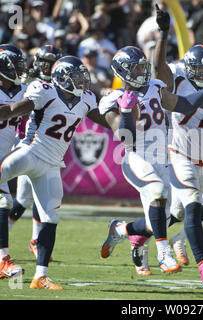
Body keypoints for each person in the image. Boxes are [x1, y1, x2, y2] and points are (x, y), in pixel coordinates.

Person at [98, 45, 203, 279]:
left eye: (141, 67)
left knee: (163, 218)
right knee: (157, 192)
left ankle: (119, 230)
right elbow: (126, 137)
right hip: (136, 157)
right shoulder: (112, 99)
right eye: (134, 68)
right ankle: (164, 253)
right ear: (121, 72)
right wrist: (125, 112)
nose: (140, 72)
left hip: (163, 158)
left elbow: (184, 105)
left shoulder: (155, 87)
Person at [0, 55, 111, 289]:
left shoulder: (87, 99)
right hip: (28, 153)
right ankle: (3, 260)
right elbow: (12, 109)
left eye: (83, 77)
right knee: (4, 200)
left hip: (51, 165)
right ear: (62, 78)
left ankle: (40, 276)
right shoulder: (45, 90)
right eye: (77, 78)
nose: (82, 82)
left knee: (50, 219)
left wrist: (127, 117)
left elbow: (108, 121)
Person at [153, 5, 203, 286]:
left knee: (186, 210)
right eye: (198, 69)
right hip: (179, 150)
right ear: (188, 68)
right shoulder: (177, 76)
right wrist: (163, 34)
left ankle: (131, 230)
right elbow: (158, 69)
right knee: (191, 205)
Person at [7, 45, 62, 263]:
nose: (47, 67)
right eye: (44, 62)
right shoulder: (30, 85)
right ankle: (29, 240)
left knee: (36, 199)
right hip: (26, 146)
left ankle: (34, 240)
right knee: (21, 199)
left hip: (47, 149)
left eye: (52, 63)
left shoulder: (60, 87)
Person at [0, 44, 27, 280]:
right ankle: (2, 261)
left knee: (5, 200)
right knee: (4, 200)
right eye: (15, 66)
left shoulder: (25, 90)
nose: (20, 70)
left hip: (4, 157)